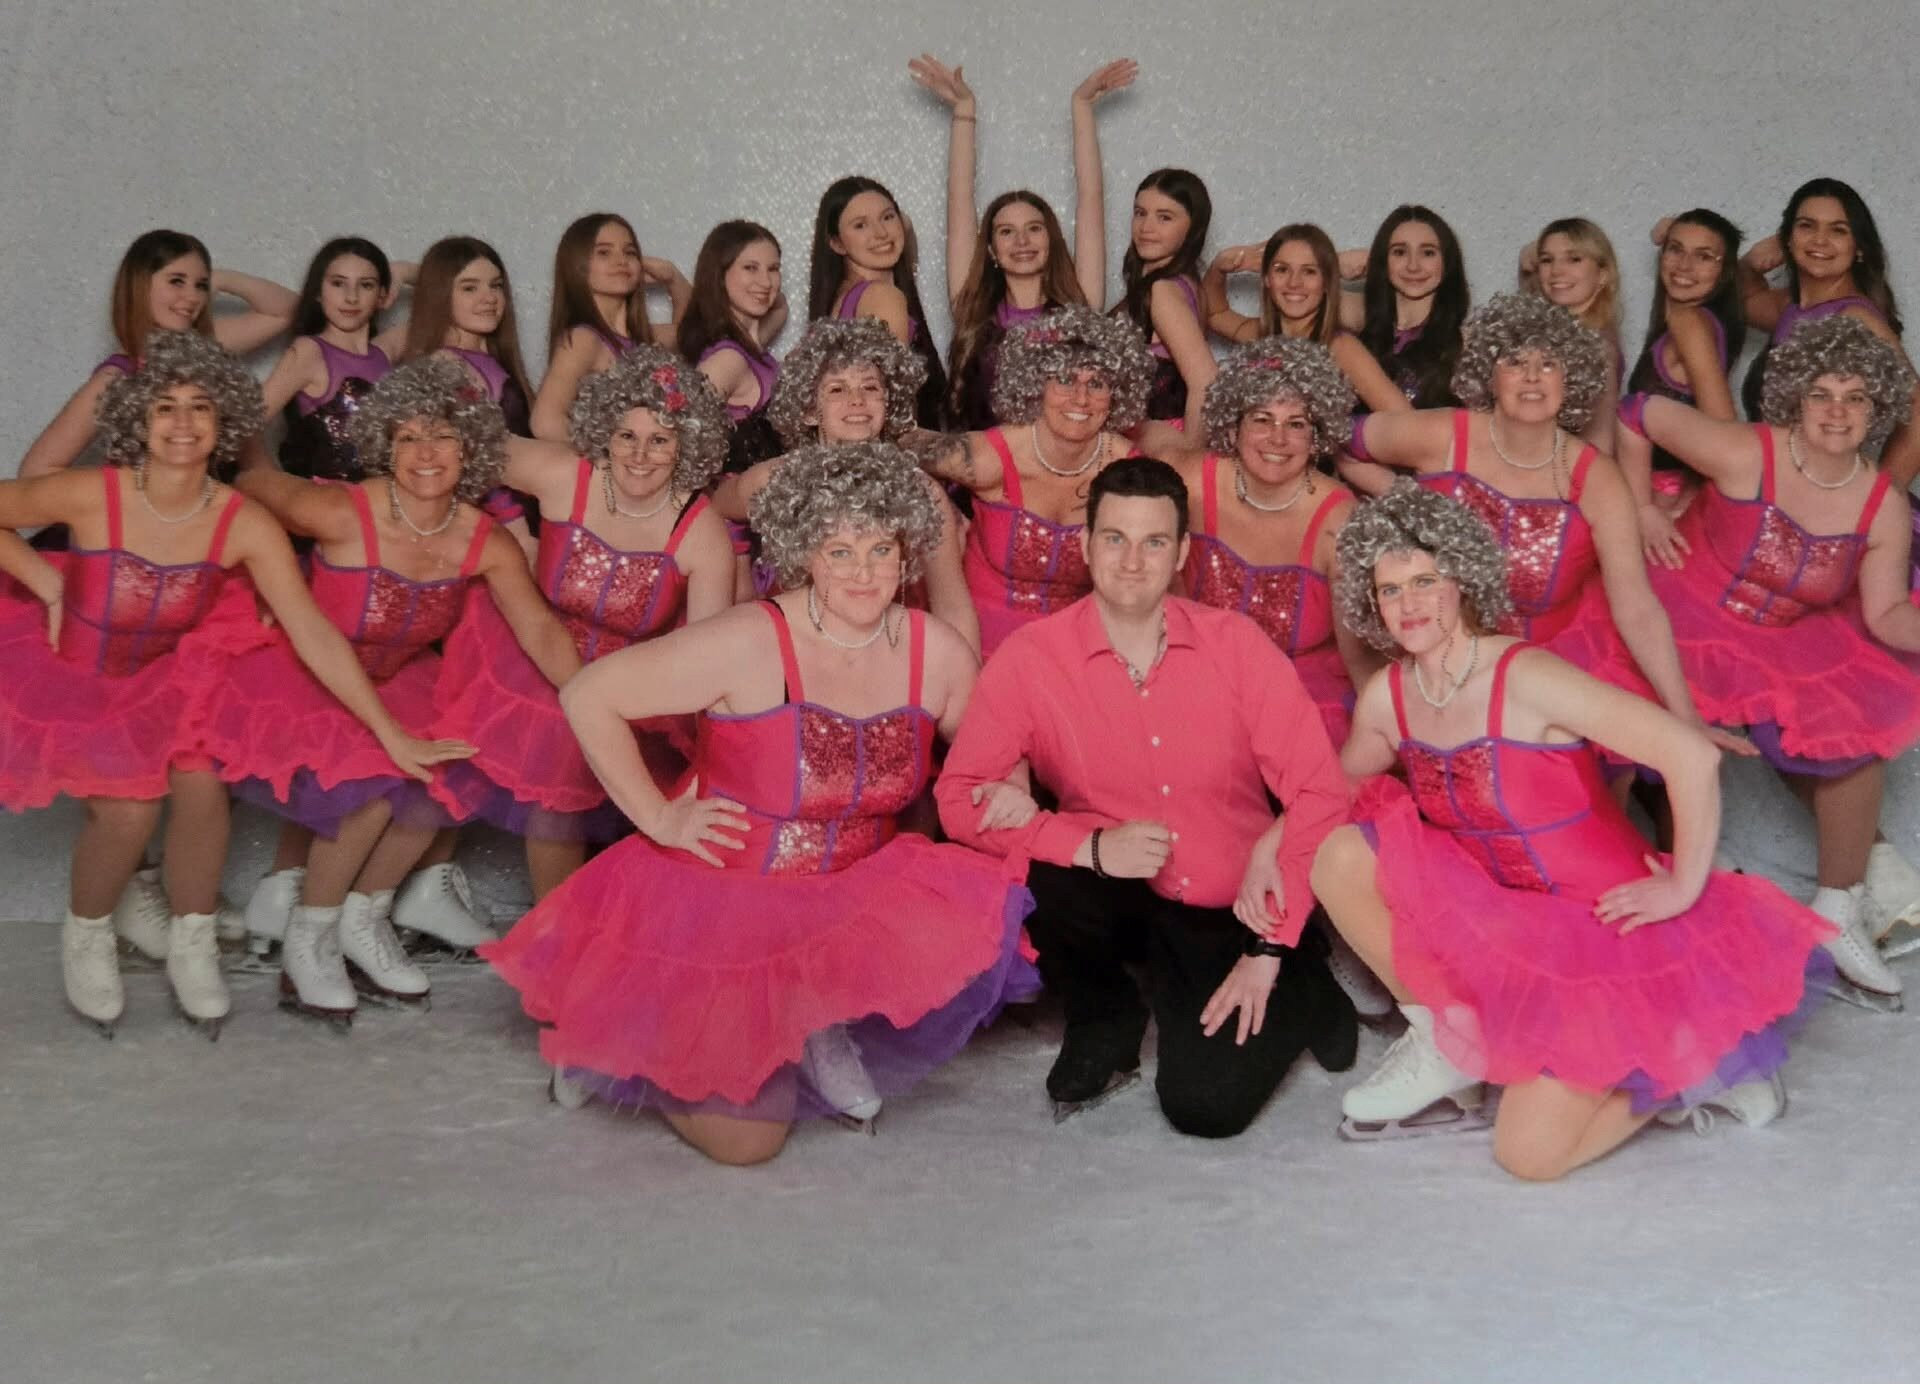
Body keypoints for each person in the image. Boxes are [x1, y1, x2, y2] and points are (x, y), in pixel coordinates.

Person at [484, 442, 1034, 1166]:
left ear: (907, 554)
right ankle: (624, 1044)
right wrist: (660, 817)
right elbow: (591, 694)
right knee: (748, 1142)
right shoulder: (749, 640)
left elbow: (994, 750)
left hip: (842, 900)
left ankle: (811, 1016)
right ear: (807, 554)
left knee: (978, 899)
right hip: (723, 904)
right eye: (840, 551)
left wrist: (1009, 792)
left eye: (879, 548)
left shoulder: (936, 650)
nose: (863, 571)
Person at [1313, 481, 1834, 1178]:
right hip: (1505, 924)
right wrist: (1265, 852)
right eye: (1389, 590)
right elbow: (1332, 798)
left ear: (1462, 582)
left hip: (1606, 935)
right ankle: (1448, 1035)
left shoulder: (1529, 676)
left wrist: (1683, 885)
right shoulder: (1389, 698)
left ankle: (1697, 1061)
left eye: (1425, 581)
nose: (1409, 605)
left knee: (1528, 1155)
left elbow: (1693, 755)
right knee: (1338, 849)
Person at [0, 331, 463, 1037]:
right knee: (127, 812)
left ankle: (192, 942)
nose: (183, 424)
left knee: (201, 780)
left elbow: (312, 632)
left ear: (223, 427)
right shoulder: (93, 493)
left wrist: (388, 730)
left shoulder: (241, 520)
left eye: (201, 409)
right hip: (74, 676)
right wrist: (43, 582)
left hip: (167, 675)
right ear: (137, 421)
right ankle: (87, 931)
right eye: (166, 408)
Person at [936, 456, 1355, 1137]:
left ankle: (1302, 975)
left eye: (1154, 541)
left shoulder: (1236, 646)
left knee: (1205, 1107)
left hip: (1226, 899)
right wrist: (1085, 843)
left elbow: (1319, 792)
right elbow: (957, 797)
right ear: (1086, 544)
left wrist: (1269, 948)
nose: (1132, 561)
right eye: (1115, 539)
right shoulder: (1031, 659)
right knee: (1044, 864)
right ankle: (1103, 1016)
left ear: (1183, 552)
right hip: (1113, 887)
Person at [211, 358, 581, 1024]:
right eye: (407, 438)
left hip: (399, 675)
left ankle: (364, 914)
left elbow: (539, 632)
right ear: (386, 445)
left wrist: (592, 706)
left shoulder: (484, 540)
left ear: (467, 446)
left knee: (460, 760)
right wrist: (263, 577)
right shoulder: (338, 511)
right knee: (372, 784)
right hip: (309, 672)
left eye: (440, 435)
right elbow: (254, 484)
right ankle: (310, 936)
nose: (425, 453)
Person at [1615, 314, 1920, 1007]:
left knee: (1856, 737)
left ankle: (1838, 916)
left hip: (1786, 636)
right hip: (1684, 609)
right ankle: (1662, 903)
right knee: (1634, 735)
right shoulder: (1748, 451)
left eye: (1855, 397)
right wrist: (1640, 508)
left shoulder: (1882, 505)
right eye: (1821, 394)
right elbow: (1636, 413)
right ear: (1794, 398)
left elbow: (1885, 616)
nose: (1837, 411)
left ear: (1875, 408)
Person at [1343, 294, 1727, 756]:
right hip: (1438, 656)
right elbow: (1343, 439)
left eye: (1549, 364)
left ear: (1571, 379)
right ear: (1489, 374)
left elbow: (1636, 605)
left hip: (1553, 664)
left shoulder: (1597, 477)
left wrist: (1685, 716)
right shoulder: (1444, 435)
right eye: (1515, 362)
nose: (1531, 377)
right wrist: (1401, 497)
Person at [434, 345, 735, 899]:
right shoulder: (564, 475)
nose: (640, 455)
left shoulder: (701, 532)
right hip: (535, 656)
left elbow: (702, 660)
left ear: (686, 446)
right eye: (626, 436)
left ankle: (589, 934)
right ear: (605, 433)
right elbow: (453, 446)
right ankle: (551, 942)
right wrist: (488, 531)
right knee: (550, 778)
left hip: (633, 679)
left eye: (660, 440)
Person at [716, 317, 980, 652]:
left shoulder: (921, 491)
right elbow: (714, 512)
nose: (856, 400)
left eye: (870, 387)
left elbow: (952, 604)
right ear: (810, 410)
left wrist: (969, 692)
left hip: (888, 652)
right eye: (837, 389)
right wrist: (742, 581)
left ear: (890, 401)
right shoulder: (774, 479)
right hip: (796, 652)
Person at [907, 305, 1152, 657]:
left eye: (1096, 383)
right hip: (978, 647)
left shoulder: (1129, 472)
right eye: (1065, 380)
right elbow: (901, 441)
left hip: (1075, 655)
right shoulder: (992, 457)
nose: (1080, 399)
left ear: (1117, 395)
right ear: (1036, 384)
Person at [906, 53, 1133, 429]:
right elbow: (959, 199)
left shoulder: (1078, 305)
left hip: (1058, 474)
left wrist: (1082, 107)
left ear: (1051, 239)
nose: (1022, 241)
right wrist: (965, 110)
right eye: (1006, 232)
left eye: (1034, 228)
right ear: (992, 249)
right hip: (987, 475)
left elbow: (1091, 198)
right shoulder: (974, 309)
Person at [1169, 336, 1374, 746]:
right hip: (1197, 690)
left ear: (1316, 437)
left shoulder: (1340, 517)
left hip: (1307, 705)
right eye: (1262, 419)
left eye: (1296, 424)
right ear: (1234, 424)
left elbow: (1359, 658)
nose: (1277, 439)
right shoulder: (1192, 484)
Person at [20, 229, 296, 481]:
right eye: (176, 281)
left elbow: (288, 310)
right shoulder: (115, 378)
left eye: (200, 285)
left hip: (214, 506)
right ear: (140, 285)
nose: (192, 297)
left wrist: (220, 278)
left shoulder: (208, 345)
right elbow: (36, 472)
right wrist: (111, 500)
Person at [1737, 178, 1919, 487]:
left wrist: (1881, 497)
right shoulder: (1791, 309)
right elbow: (1743, 301)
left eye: (1838, 230)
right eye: (1807, 226)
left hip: (1827, 509)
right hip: (1781, 492)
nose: (1819, 240)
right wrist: (1751, 262)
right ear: (1789, 239)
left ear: (1858, 248)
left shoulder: (1855, 317)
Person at [1621, 210, 1746, 566]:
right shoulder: (1697, 320)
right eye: (1676, 249)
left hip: (1667, 505)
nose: (1685, 265)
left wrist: (1661, 505)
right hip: (1656, 495)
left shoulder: (1690, 323)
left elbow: (1723, 431)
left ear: (1724, 271)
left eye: (1704, 256)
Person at [1201, 223, 1407, 412]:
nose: (1294, 282)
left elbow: (1402, 419)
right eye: (1282, 269)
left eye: (1309, 271)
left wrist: (1350, 450)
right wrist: (1219, 267)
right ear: (1266, 278)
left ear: (1327, 282)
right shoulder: (1262, 335)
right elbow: (1214, 314)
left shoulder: (1341, 347)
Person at [257, 237, 413, 482]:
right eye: (338, 284)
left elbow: (446, 297)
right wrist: (270, 480)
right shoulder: (309, 352)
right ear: (318, 292)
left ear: (382, 295)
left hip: (386, 505)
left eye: (366, 285)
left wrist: (403, 271)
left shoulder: (384, 351)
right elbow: (241, 423)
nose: (351, 297)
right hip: (329, 509)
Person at [529, 213, 692, 442]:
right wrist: (612, 455)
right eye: (604, 252)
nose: (621, 260)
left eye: (630, 252)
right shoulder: (583, 338)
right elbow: (545, 423)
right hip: (609, 474)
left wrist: (674, 278)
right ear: (577, 265)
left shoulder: (643, 338)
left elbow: (693, 333)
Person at [808, 175, 950, 427]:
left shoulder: (839, 298)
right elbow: (892, 401)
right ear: (837, 243)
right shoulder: (884, 296)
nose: (881, 233)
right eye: (860, 225)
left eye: (887, 217)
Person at [679, 220, 789, 473]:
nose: (766, 281)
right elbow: (683, 442)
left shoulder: (753, 347)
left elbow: (781, 306)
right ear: (719, 275)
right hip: (739, 502)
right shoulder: (728, 359)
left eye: (773, 269)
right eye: (750, 268)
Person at [1114, 167, 1214, 445]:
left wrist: (1189, 459)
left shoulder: (1163, 289)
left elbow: (1205, 380)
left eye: (1165, 217)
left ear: (1193, 227)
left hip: (1161, 445)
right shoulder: (1186, 281)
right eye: (1140, 212)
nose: (1146, 227)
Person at [1348, 205, 1469, 413]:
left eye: (1428, 253)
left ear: (1448, 261)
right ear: (1382, 259)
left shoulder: (1468, 342)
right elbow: (1281, 285)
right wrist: (1335, 260)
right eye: (1400, 252)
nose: (1413, 266)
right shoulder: (1355, 322)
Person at [1517, 217, 1622, 452]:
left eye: (1574, 259)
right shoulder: (1558, 327)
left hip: (1575, 478)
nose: (1556, 271)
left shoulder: (1598, 343)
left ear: (1603, 275)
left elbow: (1600, 441)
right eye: (1547, 260)